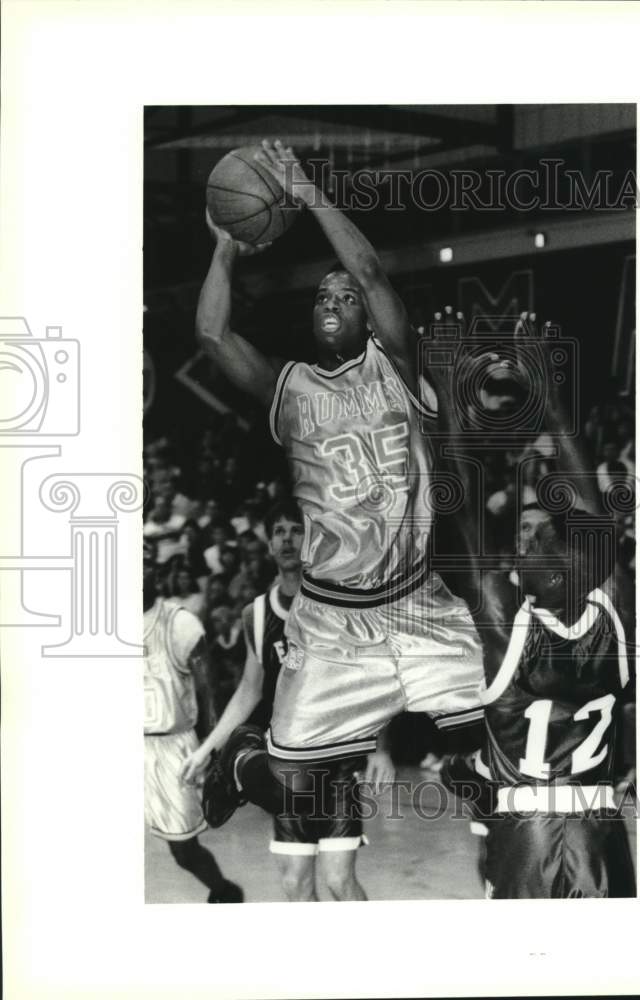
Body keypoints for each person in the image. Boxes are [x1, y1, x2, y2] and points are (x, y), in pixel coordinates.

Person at [194, 139, 484, 784]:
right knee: (289, 778)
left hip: (413, 598)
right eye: (323, 295)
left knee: (487, 728)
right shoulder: (289, 386)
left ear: (369, 319)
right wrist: (224, 247)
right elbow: (213, 336)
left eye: (345, 297)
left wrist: (305, 190)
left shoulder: (396, 365)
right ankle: (244, 761)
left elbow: (373, 273)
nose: (332, 299)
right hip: (329, 612)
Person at [444, 314, 636, 899]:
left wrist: (450, 393)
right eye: (527, 536)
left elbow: (463, 495)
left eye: (546, 540)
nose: (530, 544)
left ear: (573, 568)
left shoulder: (507, 621)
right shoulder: (614, 612)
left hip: (530, 829)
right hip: (598, 830)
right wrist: (549, 397)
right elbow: (590, 508)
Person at [182, 501, 394, 901]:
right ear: (268, 545)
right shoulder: (256, 614)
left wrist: (381, 749)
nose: (286, 539)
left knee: (338, 880)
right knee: (295, 883)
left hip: (336, 762)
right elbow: (248, 690)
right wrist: (206, 750)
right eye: (278, 531)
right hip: (288, 763)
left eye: (296, 530)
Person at [143, 539, 243, 903]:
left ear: (159, 571)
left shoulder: (179, 623)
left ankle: (224, 891)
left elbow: (207, 692)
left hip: (168, 745)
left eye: (145, 562)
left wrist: (213, 749)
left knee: (183, 850)